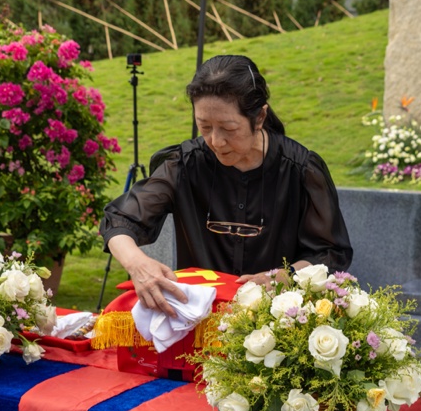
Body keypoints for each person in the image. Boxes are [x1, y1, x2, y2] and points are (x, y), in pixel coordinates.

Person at [99, 54, 353, 316]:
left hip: (278, 328)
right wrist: (138, 265)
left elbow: (328, 255)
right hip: (198, 319)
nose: (216, 141)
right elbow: (119, 220)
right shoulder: (186, 164)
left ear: (260, 117)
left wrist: (280, 278)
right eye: (204, 126)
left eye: (228, 128)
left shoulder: (300, 169)